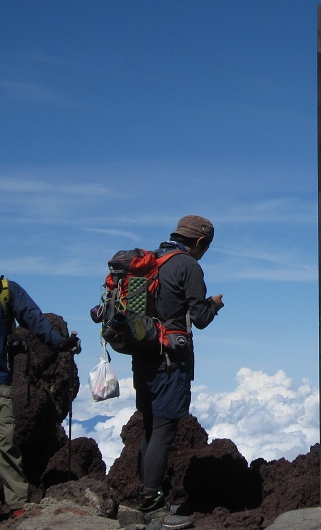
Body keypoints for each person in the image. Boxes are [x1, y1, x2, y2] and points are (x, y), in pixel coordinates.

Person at [133, 216, 223, 530]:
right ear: (199, 242)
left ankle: (146, 500)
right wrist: (213, 305)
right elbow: (200, 318)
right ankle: (154, 509)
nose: (205, 252)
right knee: (163, 432)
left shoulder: (151, 261)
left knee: (148, 428)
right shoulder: (188, 266)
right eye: (206, 246)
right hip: (170, 361)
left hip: (142, 358)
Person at [0, 239, 81, 520]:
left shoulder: (6, 291)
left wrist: (61, 343)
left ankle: (17, 505)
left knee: (5, 441)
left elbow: (35, 320)